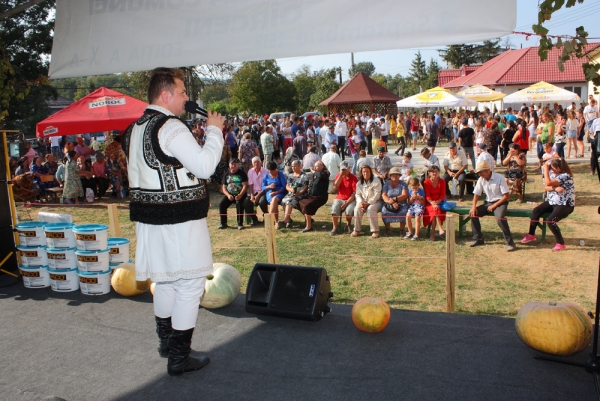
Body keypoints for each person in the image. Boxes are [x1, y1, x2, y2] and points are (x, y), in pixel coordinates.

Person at [121, 67, 225, 376]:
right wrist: (215, 130)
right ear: (165, 95)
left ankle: (167, 344)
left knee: (164, 281)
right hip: (178, 222)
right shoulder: (170, 127)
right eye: (182, 92)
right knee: (190, 285)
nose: (186, 98)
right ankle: (179, 356)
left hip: (149, 220)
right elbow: (205, 166)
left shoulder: (134, 128)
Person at [521, 158, 575, 251]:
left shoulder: (566, 176)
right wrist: (555, 188)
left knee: (551, 221)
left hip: (565, 204)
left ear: (558, 168)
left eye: (552, 168)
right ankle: (531, 234)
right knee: (536, 211)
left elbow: (548, 182)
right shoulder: (555, 174)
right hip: (553, 201)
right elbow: (546, 186)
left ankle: (560, 243)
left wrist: (545, 170)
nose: (551, 169)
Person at [468, 161, 517, 252]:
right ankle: (478, 239)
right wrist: (473, 206)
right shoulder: (481, 179)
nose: (479, 174)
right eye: (478, 173)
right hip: (488, 203)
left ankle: (510, 243)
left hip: (501, 202)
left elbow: (506, 196)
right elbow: (476, 194)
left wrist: (494, 205)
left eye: (480, 172)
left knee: (500, 219)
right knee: (473, 214)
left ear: (487, 170)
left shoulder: (499, 178)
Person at [298, 160, 330, 232]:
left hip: (320, 197)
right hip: (312, 196)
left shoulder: (325, 173)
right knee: (299, 201)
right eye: (314, 166)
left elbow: (321, 176)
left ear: (322, 166)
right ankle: (308, 219)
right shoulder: (315, 174)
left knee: (307, 205)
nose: (314, 167)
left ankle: (308, 227)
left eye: (316, 166)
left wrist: (313, 171)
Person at [351, 165, 382, 238]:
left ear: (370, 172)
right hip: (364, 202)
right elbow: (357, 194)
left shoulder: (376, 181)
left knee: (370, 209)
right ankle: (356, 230)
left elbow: (377, 195)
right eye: (364, 172)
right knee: (357, 209)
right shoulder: (359, 183)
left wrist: (367, 204)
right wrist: (360, 203)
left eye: (367, 171)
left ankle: (375, 230)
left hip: (376, 202)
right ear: (361, 173)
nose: (366, 173)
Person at [218, 158, 249, 230]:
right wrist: (228, 195)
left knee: (239, 204)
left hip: (240, 194)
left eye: (235, 164)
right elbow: (224, 188)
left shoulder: (242, 173)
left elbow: (245, 186)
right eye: (232, 164)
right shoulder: (226, 174)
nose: (233, 165)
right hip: (230, 195)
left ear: (237, 165)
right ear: (229, 165)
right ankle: (223, 223)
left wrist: (240, 195)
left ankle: (240, 224)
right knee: (221, 204)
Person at [330, 161, 357, 236]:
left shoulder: (354, 178)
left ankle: (348, 225)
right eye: (342, 169)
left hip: (350, 199)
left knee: (349, 210)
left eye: (345, 169)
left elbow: (354, 193)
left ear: (349, 169)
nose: (343, 171)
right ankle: (335, 228)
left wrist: (346, 203)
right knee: (334, 208)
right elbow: (335, 187)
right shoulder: (338, 176)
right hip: (339, 198)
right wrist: (341, 175)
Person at [380, 166, 409, 236]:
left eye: (396, 174)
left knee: (404, 211)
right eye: (393, 174)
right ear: (390, 175)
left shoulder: (403, 184)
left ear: (399, 175)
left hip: (401, 203)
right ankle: (388, 229)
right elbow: (384, 195)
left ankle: (402, 230)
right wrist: (392, 202)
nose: (394, 175)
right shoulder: (386, 184)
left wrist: (395, 199)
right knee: (384, 211)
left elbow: (405, 195)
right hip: (389, 203)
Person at [280, 160, 308, 229]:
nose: (293, 168)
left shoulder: (304, 175)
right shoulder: (290, 175)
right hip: (291, 194)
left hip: (301, 194)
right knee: (283, 201)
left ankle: (285, 220)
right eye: (292, 166)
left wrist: (298, 193)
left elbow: (305, 187)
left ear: (299, 167)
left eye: (295, 166)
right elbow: (287, 186)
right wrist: (291, 190)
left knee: (289, 201)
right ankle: (288, 219)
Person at [423, 165, 446, 241]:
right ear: (429, 173)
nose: (434, 173)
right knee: (435, 211)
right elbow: (427, 196)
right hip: (430, 203)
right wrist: (433, 203)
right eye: (433, 172)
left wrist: (437, 202)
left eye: (436, 171)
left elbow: (443, 195)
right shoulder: (426, 182)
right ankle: (440, 229)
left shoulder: (442, 182)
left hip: (440, 202)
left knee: (435, 211)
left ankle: (432, 236)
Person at [262, 160, 287, 228]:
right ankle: (276, 222)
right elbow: (263, 187)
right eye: (269, 171)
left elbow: (284, 186)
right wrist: (269, 186)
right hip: (269, 193)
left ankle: (270, 219)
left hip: (279, 192)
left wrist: (276, 192)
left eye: (272, 171)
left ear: (275, 169)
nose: (271, 173)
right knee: (273, 200)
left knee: (275, 199)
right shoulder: (266, 175)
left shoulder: (280, 174)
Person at [244, 156, 268, 226]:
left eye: (258, 162)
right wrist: (251, 195)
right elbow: (250, 185)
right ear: (252, 164)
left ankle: (266, 217)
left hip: (263, 192)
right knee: (246, 202)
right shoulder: (250, 171)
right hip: (254, 192)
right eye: (254, 162)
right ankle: (254, 219)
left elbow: (266, 186)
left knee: (262, 202)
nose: (256, 164)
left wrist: (258, 196)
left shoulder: (265, 171)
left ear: (261, 163)